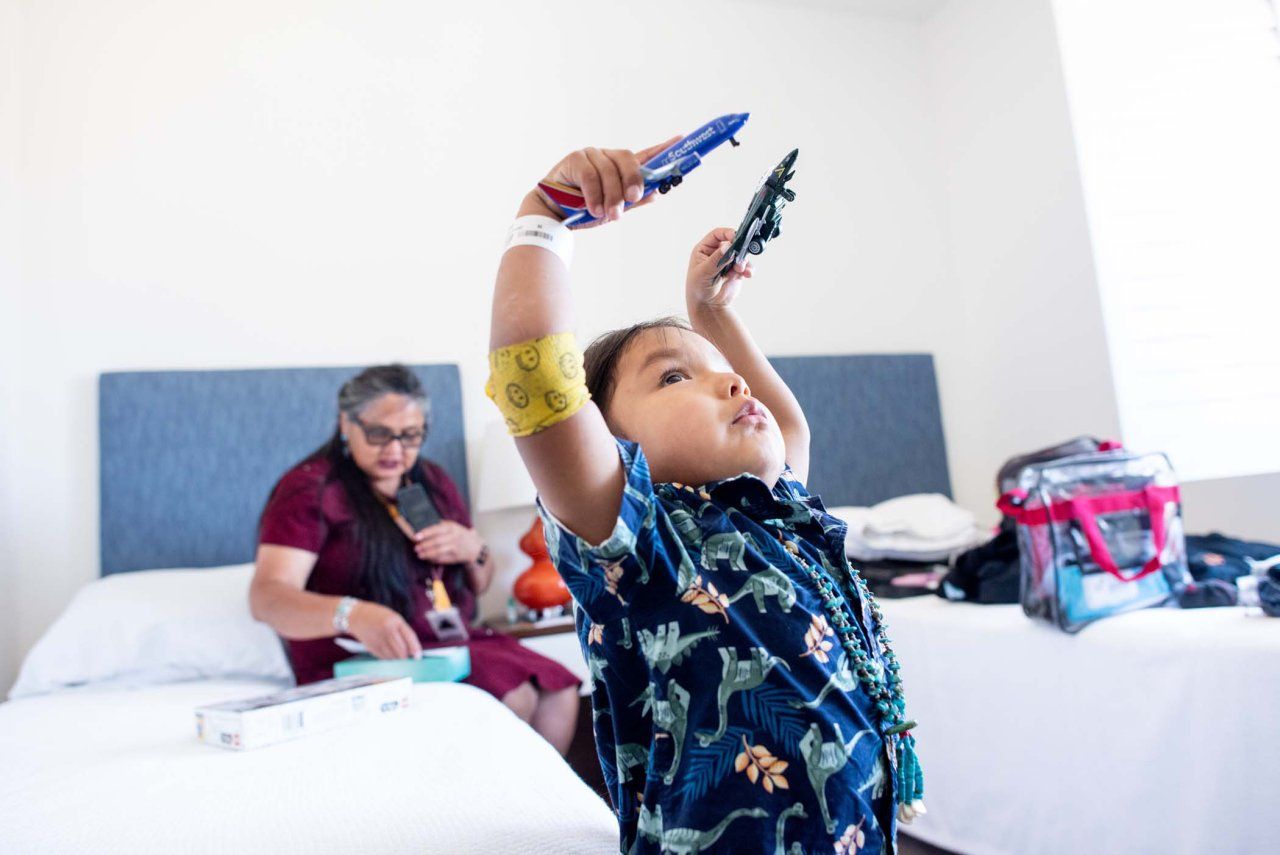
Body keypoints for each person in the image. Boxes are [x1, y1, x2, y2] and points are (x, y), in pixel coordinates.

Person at [485, 140, 925, 852]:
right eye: (672, 376)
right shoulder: (640, 539)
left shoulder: (780, 517)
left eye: (723, 370)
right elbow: (534, 378)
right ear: (606, 441)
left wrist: (711, 312)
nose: (732, 382)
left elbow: (787, 430)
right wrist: (545, 215)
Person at [249, 364, 580, 754]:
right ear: (345, 423)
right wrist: (354, 614)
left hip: (445, 644)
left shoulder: (431, 483)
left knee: (561, 689)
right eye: (378, 435)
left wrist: (474, 550)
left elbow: (481, 582)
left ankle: (540, 811)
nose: (394, 450)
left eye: (409, 436)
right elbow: (267, 598)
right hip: (359, 657)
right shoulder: (310, 489)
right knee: (514, 696)